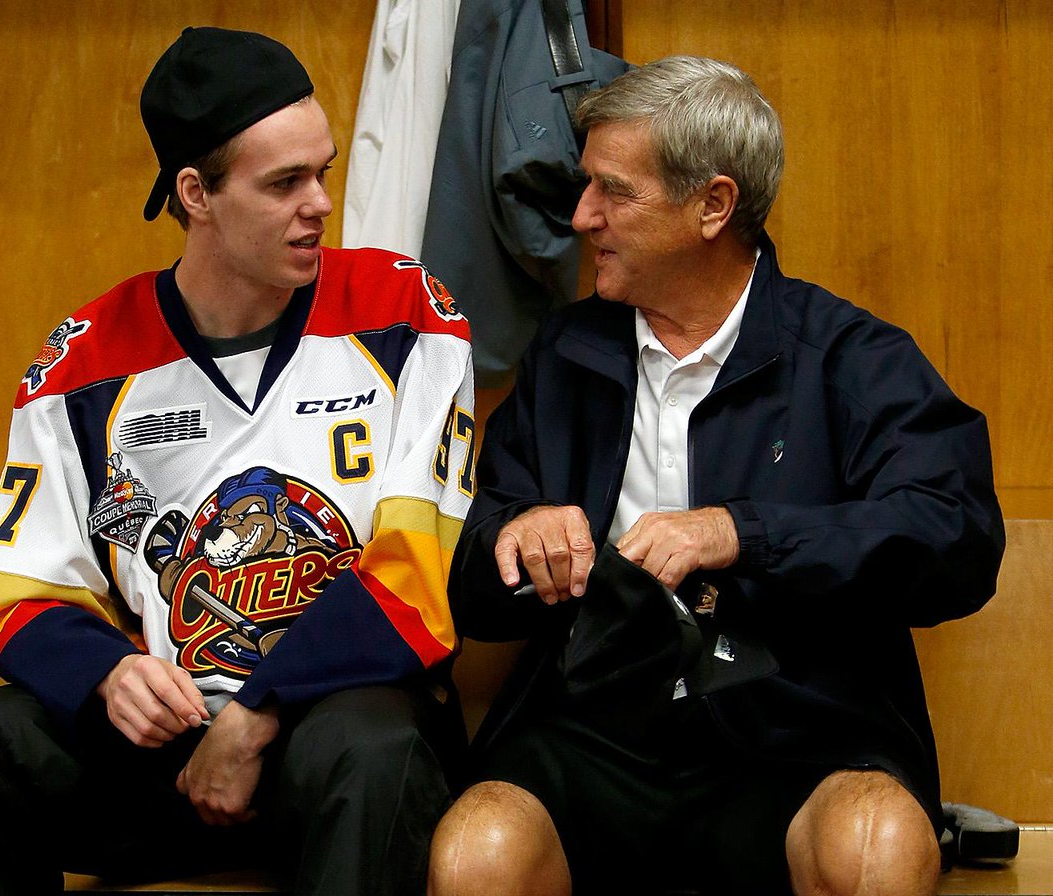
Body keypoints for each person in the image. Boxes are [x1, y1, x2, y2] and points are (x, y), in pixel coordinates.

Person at [0, 27, 476, 896]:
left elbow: (414, 580)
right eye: (284, 182)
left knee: (373, 752)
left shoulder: (406, 313)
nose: (320, 203)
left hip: (340, 731)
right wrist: (107, 673)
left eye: (322, 171)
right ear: (195, 194)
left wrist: (256, 712)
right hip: (168, 746)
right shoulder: (85, 365)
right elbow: (17, 599)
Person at [427, 55, 1005, 896]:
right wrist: (513, 542)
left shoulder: (851, 358)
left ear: (714, 206)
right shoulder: (564, 355)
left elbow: (957, 537)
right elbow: (470, 576)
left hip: (804, 729)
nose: (583, 216)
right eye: (584, 186)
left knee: (875, 845)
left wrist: (742, 532)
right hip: (597, 730)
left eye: (613, 192)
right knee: (477, 852)